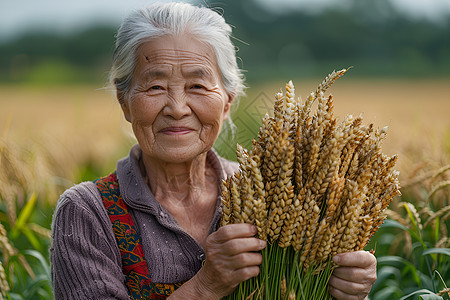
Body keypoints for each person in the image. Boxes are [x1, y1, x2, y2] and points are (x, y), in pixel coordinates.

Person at [50, 2, 377, 299]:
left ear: (227, 101)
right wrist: (205, 286)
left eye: (197, 86)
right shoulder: (87, 213)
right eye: (155, 86)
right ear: (125, 102)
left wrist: (343, 289)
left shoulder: (278, 195)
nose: (177, 108)